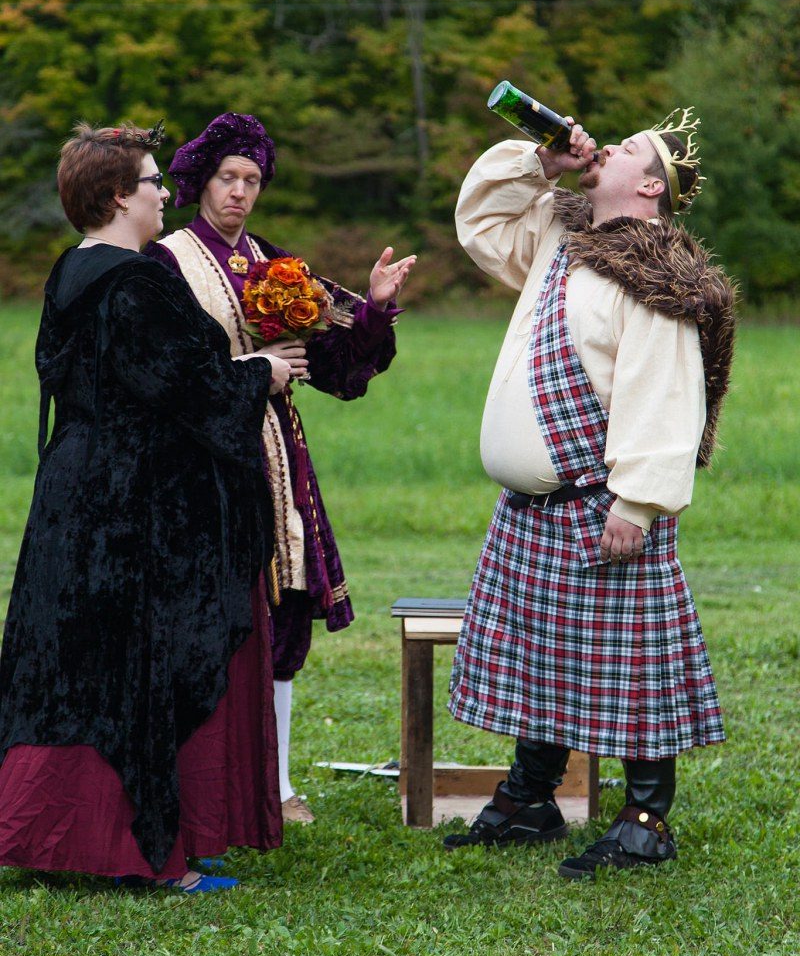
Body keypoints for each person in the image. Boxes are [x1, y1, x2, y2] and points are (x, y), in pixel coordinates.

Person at [0, 122, 292, 892]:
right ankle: (150, 853)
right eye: (156, 181)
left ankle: (57, 835)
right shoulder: (140, 281)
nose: (167, 192)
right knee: (143, 668)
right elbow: (186, 391)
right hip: (138, 509)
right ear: (120, 195)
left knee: (73, 662)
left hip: (74, 493)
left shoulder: (68, 272)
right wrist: (259, 372)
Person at [445, 107, 736, 878]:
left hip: (602, 508)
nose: (609, 142)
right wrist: (540, 164)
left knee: (632, 668)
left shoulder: (657, 273)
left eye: (632, 147)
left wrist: (636, 503)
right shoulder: (559, 238)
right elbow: (479, 225)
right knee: (544, 656)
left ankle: (647, 822)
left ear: (648, 184)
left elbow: (669, 394)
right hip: (535, 509)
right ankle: (530, 799)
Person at [146, 112, 415, 822]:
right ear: (200, 182)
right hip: (200, 461)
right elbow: (159, 373)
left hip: (276, 455)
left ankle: (279, 784)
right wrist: (244, 373)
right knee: (213, 614)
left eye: (252, 180)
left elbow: (334, 364)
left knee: (282, 613)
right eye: (227, 178)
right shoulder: (166, 261)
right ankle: (202, 780)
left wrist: (375, 309)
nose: (239, 192)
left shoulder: (276, 267)